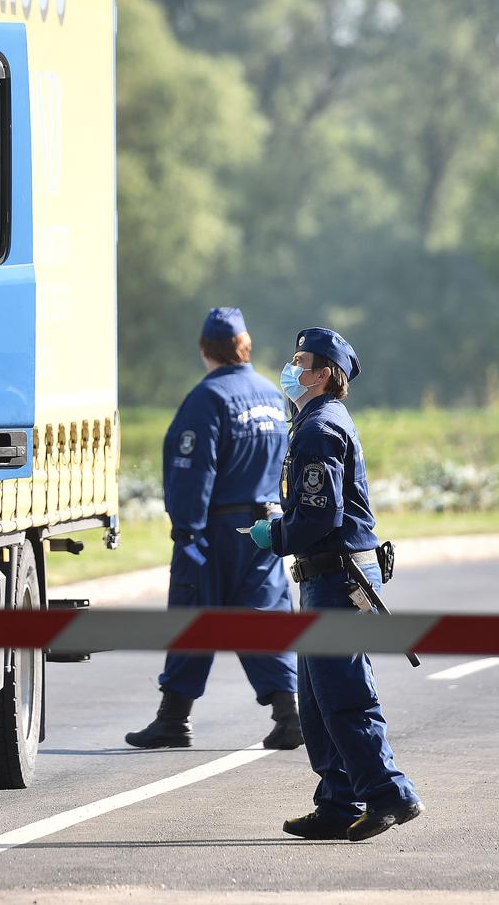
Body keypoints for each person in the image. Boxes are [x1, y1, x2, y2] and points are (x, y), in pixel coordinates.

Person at [248, 328, 424, 842]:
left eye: (299, 361)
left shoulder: (319, 429)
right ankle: (338, 802)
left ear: (324, 374)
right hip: (328, 575)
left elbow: (321, 514)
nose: (290, 368)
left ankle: (390, 794)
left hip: (338, 578)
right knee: (317, 699)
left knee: (344, 696)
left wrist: (277, 533)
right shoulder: (314, 422)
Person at [125, 308, 301, 751]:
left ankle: (173, 719)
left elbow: (192, 471)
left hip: (217, 529)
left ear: (205, 349)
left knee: (193, 618)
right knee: (264, 618)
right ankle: (289, 715)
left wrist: (187, 532)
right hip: (266, 527)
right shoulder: (271, 394)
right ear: (245, 346)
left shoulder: (208, 399)